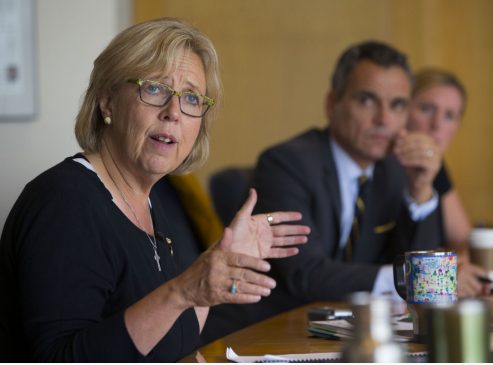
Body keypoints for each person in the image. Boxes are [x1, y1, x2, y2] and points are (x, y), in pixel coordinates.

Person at [0, 18, 310, 362]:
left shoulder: (158, 200)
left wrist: (211, 272)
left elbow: (167, 341)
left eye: (191, 97)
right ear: (108, 101)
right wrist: (183, 290)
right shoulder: (64, 202)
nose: (173, 112)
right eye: (154, 89)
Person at [201, 40, 444, 343]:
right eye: (368, 100)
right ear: (332, 104)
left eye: (397, 105)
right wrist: (399, 279)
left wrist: (421, 190)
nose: (384, 119)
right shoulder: (287, 163)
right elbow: (305, 273)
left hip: (349, 338)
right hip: (265, 335)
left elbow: (426, 280)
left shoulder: (394, 171)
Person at [407, 68, 488, 297]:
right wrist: (446, 274)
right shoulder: (381, 168)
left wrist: (454, 268)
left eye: (449, 116)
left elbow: (464, 240)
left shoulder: (437, 166)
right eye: (426, 109)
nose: (437, 124)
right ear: (403, 110)